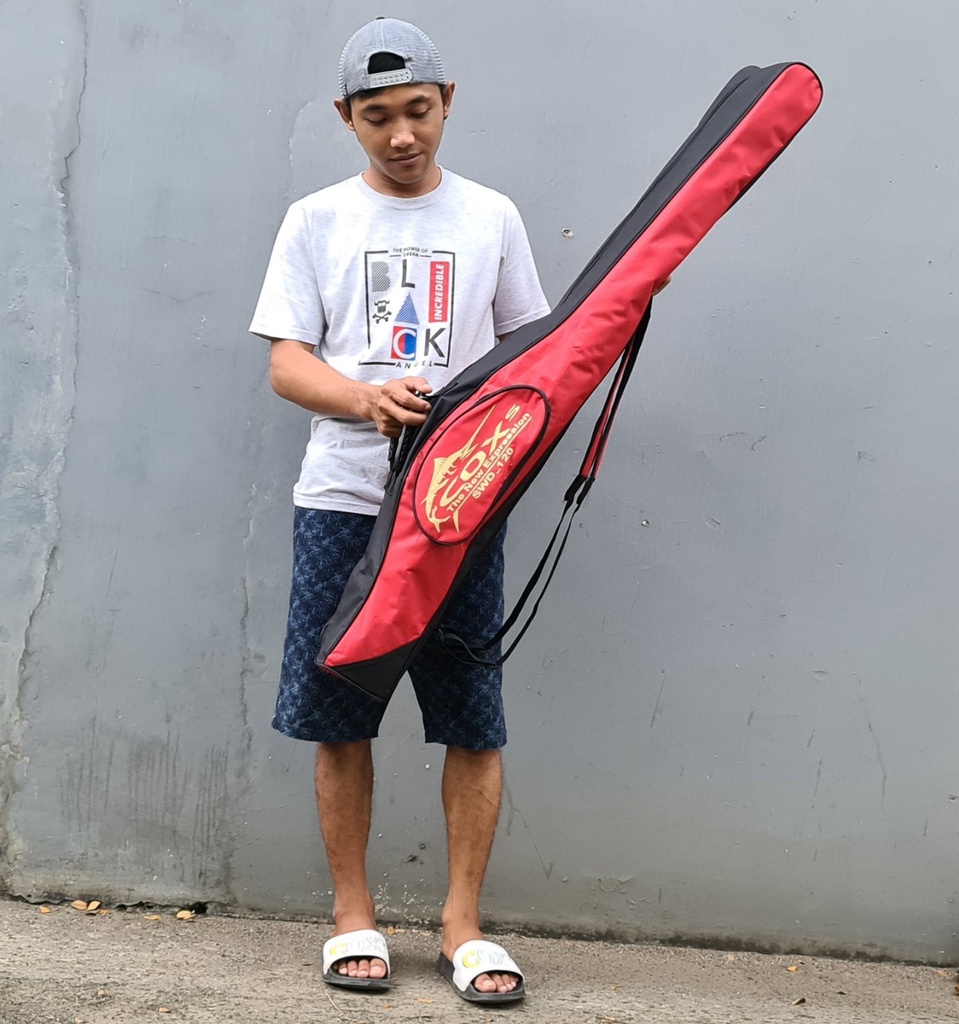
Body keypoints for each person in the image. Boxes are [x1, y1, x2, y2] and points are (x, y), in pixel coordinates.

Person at [249, 17, 550, 1005]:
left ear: (447, 101)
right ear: (348, 117)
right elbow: (286, 362)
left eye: (418, 110)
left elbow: (535, 354)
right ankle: (352, 913)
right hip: (342, 500)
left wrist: (628, 305)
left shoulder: (491, 217)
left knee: (472, 718)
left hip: (459, 507)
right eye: (378, 116)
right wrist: (362, 399)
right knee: (341, 714)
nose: (402, 134)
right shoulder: (316, 220)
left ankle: (463, 924)